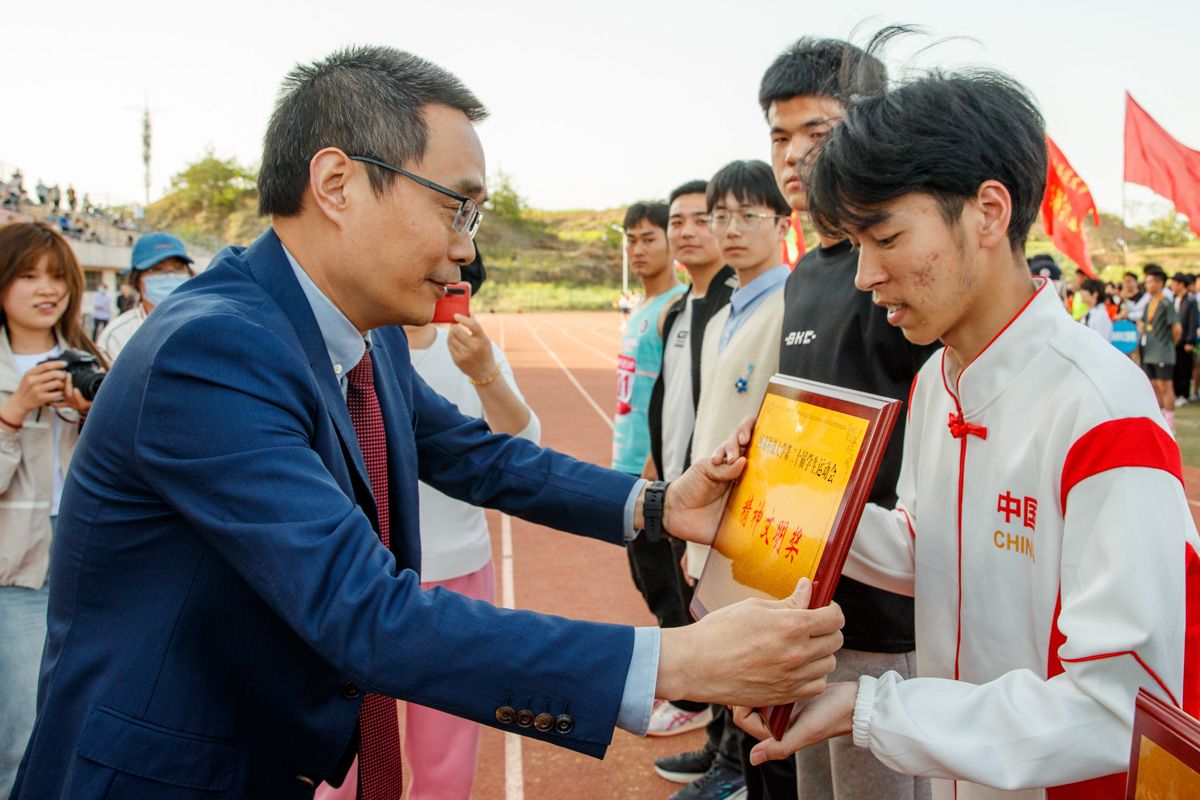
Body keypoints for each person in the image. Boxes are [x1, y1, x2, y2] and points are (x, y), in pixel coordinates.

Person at [12, 47, 846, 799]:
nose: (465, 249)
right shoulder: (211, 351)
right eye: (457, 208)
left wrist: (659, 506)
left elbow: (477, 457)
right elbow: (364, 612)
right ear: (336, 184)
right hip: (162, 774)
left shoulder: (358, 330)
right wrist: (675, 660)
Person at [734, 68, 1200, 800]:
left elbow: (1117, 709)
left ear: (988, 212)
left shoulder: (1101, 409)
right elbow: (928, 546)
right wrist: (776, 495)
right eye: (855, 243)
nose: (864, 275)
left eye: (886, 237)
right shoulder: (936, 381)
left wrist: (873, 709)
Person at [759, 36, 934, 800]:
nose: (794, 155)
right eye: (779, 136)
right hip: (808, 605)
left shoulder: (902, 270)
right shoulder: (806, 272)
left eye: (816, 132)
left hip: (885, 624)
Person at [317, 266, 540, 800]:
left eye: (456, 276)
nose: (442, 277)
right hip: (359, 577)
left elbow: (522, 448)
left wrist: (486, 373)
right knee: (340, 753)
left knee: (446, 750)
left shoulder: (473, 353)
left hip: (456, 569)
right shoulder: (343, 348)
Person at [671, 160, 791, 800]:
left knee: (754, 661)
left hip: (759, 526)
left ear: (782, 223)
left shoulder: (791, 305)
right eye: (722, 216)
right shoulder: (721, 317)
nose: (732, 229)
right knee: (718, 642)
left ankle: (740, 771)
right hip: (711, 516)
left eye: (749, 215)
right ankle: (726, 757)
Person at [0, 222, 105, 798]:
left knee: (85, 719)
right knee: (21, 731)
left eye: (59, 276)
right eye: (28, 275)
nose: (48, 289)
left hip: (89, 556)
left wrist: (92, 410)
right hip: (14, 570)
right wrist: (13, 413)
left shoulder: (89, 359)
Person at [648, 180, 739, 777]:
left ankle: (732, 762)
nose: (685, 231)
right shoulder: (678, 308)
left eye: (699, 218)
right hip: (679, 492)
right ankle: (718, 744)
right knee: (694, 616)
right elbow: (669, 400)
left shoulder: (737, 303)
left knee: (726, 626)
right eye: (676, 221)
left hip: (720, 498)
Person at [613, 201, 690, 725]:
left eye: (648, 238)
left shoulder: (674, 307)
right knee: (648, 582)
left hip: (651, 475)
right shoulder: (640, 307)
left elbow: (673, 393)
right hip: (625, 468)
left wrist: (653, 461)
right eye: (631, 240)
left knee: (668, 587)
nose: (638, 249)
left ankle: (691, 699)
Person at [96, 231, 194, 361]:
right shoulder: (116, 336)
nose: (170, 276)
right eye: (157, 269)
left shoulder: (207, 325)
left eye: (178, 268)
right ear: (137, 279)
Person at [1138, 263, 1181, 430]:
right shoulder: (1150, 303)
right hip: (1149, 352)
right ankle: (1160, 421)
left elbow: (1176, 329)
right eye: (1146, 282)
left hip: (1163, 352)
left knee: (1165, 387)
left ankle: (1170, 424)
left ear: (1160, 282)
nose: (1147, 285)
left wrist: (1169, 344)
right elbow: (1144, 324)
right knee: (1154, 386)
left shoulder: (1166, 303)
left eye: (1150, 281)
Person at [1169, 271, 1197, 405]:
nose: (1172, 286)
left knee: (1184, 368)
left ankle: (1183, 394)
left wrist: (1190, 341)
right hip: (1173, 340)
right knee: (1175, 368)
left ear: (1181, 284)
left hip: (1185, 340)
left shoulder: (1190, 301)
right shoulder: (1173, 299)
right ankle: (1176, 393)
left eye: (1174, 283)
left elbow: (1193, 322)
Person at [1078, 278, 1113, 343]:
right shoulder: (1087, 313)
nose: (1081, 293)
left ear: (1095, 293)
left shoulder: (1101, 315)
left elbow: (1101, 342)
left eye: (1084, 290)